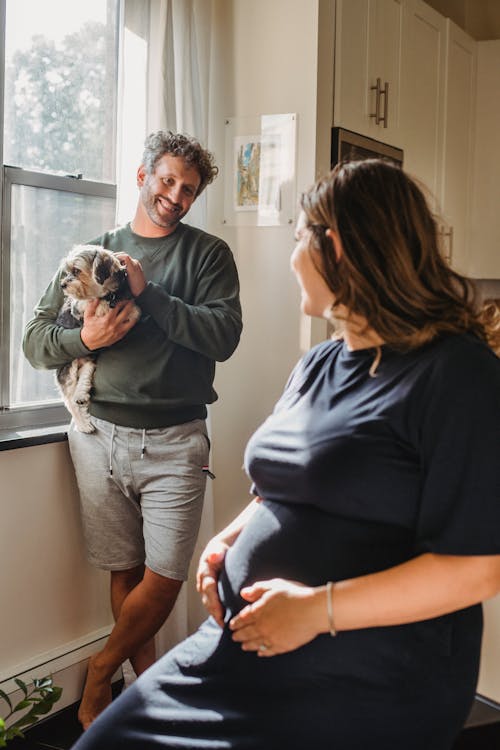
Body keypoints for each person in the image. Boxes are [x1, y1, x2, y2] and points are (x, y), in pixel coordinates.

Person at [70, 158, 500, 750]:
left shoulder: (457, 373)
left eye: (299, 238)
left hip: (365, 668)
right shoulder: (319, 364)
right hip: (245, 644)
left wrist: (316, 610)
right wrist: (230, 539)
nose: (291, 256)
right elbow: (283, 485)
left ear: (339, 247)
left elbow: (477, 568)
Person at [23, 131, 242, 730]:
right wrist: (84, 340)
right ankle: (144, 696)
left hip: (176, 439)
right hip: (96, 437)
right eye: (167, 181)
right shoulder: (90, 252)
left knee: (164, 579)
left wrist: (151, 294)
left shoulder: (208, 255)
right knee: (124, 570)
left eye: (188, 190)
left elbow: (223, 336)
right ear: (143, 176)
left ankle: (100, 671)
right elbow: (34, 341)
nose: (175, 196)